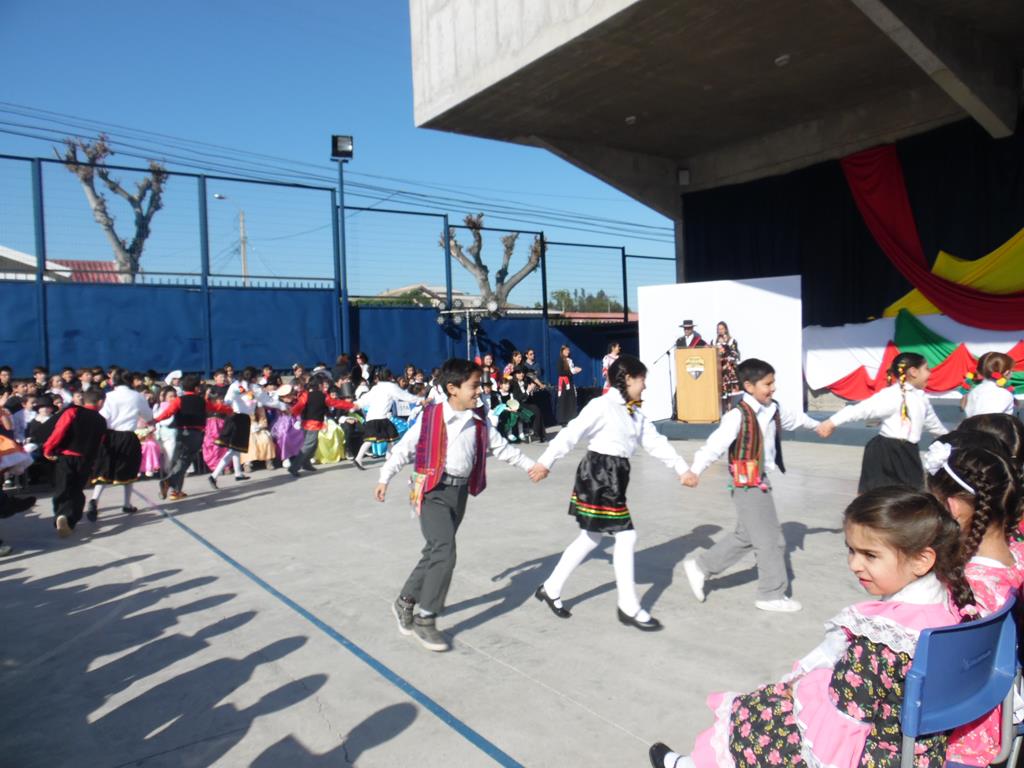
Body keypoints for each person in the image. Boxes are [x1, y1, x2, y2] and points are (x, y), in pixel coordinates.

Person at [648, 487, 975, 768]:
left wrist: (793, 697)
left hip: (876, 753)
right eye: (851, 550)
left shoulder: (883, 640)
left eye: (870, 555)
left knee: (761, 717)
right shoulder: (953, 602)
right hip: (921, 749)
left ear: (921, 560)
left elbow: (842, 723)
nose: (854, 564)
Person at [374, 358, 537, 652]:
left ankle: (405, 601)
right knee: (445, 551)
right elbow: (403, 449)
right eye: (474, 386)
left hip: (459, 493)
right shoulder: (431, 417)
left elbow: (502, 448)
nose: (480, 390)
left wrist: (530, 466)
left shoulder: (478, 419)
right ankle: (426, 618)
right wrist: (384, 478)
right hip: (432, 490)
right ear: (452, 388)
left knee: (435, 550)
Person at [530, 354, 691, 630]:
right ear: (627, 379)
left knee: (591, 537)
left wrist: (681, 468)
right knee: (626, 536)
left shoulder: (634, 411)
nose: (645, 386)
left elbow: (654, 441)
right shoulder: (601, 405)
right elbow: (571, 433)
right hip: (599, 475)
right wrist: (545, 462)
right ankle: (628, 606)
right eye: (642, 380)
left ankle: (551, 587)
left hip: (616, 475)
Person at [681, 358, 820, 612]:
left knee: (745, 535)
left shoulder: (772, 409)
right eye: (767, 384)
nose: (773, 388)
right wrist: (695, 470)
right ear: (749, 386)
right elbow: (714, 446)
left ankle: (701, 566)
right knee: (771, 540)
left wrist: (820, 426)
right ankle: (770, 594)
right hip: (747, 483)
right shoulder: (737, 416)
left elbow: (795, 420)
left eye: (773, 382)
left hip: (760, 479)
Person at [922, 433, 1023, 766]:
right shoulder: (1017, 558)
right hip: (997, 713)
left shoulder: (964, 587)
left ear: (951, 507)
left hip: (954, 728)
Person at [817, 352, 948, 492]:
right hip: (886, 452)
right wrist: (831, 422)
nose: (930, 372)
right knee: (878, 494)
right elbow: (861, 409)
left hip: (908, 451)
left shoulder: (921, 397)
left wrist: (952, 440)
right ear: (913, 372)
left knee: (911, 494)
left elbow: (934, 424)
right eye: (926, 368)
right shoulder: (892, 395)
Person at [89, 369, 154, 519]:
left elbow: (102, 416)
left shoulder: (108, 396)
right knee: (129, 469)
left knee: (104, 469)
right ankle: (126, 504)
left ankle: (94, 500)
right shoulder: (137, 397)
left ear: (114, 381)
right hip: (128, 436)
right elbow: (148, 416)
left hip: (109, 435)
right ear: (131, 381)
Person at [154, 374, 231, 501]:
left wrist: (155, 420)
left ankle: (176, 491)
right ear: (196, 388)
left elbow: (168, 412)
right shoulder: (201, 401)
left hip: (180, 433)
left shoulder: (179, 400)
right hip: (195, 434)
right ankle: (169, 481)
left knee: (177, 461)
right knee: (185, 461)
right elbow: (216, 407)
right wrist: (230, 409)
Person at [43, 388, 108, 537]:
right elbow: (100, 442)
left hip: (66, 456)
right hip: (85, 459)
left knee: (63, 487)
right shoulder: (101, 420)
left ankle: (61, 515)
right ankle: (70, 521)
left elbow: (59, 432)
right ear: (100, 402)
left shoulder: (72, 412)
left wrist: (48, 449)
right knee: (77, 490)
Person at [352, 369, 422, 469]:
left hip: (374, 417)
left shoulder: (376, 387)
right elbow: (405, 396)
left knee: (390, 437)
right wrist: (419, 399)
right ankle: (359, 459)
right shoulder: (391, 386)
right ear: (390, 377)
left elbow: (365, 399)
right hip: (380, 418)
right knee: (374, 439)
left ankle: (388, 458)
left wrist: (356, 404)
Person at [288, 373, 355, 476]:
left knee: (313, 445)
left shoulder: (306, 395)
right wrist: (351, 405)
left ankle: (306, 463)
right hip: (312, 424)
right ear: (319, 385)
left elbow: (298, 407)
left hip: (306, 423)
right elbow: (336, 403)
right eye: (322, 384)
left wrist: (293, 412)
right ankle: (294, 467)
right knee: (309, 445)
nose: (323, 385)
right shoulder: (323, 396)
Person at [963, 351, 1017, 417]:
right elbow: (987, 419)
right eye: (1012, 371)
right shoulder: (1001, 393)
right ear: (1007, 373)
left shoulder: (974, 390)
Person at [714, 321, 741, 410]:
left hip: (728, 370)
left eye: (722, 329)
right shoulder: (714, 341)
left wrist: (725, 345)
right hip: (718, 369)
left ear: (726, 329)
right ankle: (721, 411)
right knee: (720, 392)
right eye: (718, 329)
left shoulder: (731, 341)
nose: (720, 331)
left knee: (728, 393)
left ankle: (729, 410)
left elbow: (734, 354)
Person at [555, 345, 582, 426]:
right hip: (563, 383)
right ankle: (563, 420)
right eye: (566, 350)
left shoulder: (570, 360)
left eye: (568, 350)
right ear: (562, 351)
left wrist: (574, 370)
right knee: (563, 400)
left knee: (571, 400)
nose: (568, 352)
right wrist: (573, 371)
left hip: (570, 382)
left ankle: (571, 418)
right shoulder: (560, 360)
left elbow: (570, 372)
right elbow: (560, 372)